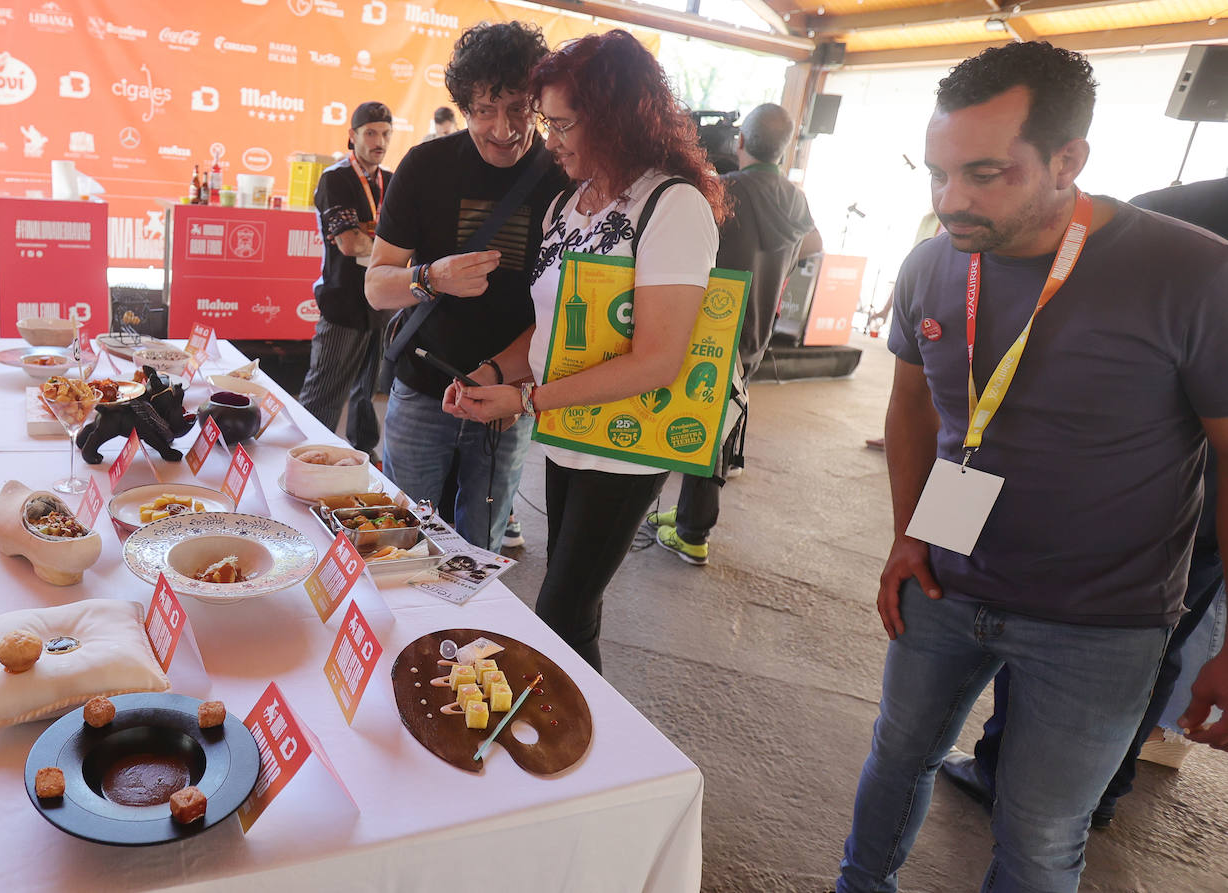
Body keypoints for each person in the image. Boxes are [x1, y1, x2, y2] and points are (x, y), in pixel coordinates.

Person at [837, 42, 1228, 893]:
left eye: (985, 174)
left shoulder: (1194, 273)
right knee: (895, 757)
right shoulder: (932, 262)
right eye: (938, 174)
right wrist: (908, 537)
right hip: (944, 580)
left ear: (1069, 159)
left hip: (1102, 622)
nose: (952, 201)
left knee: (1043, 831)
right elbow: (910, 408)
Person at [939, 174, 1228, 826]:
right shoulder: (1166, 225)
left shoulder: (1172, 222)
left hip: (1126, 507)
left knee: (1061, 622)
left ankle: (1024, 775)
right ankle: (1097, 783)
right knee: (1157, 637)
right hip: (1173, 513)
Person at [448, 30, 726, 671]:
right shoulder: (568, 206)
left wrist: (524, 399)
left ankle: (568, 748)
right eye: (550, 121)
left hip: (628, 440)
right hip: (569, 427)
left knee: (562, 609)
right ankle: (579, 746)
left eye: (565, 123)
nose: (551, 139)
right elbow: (547, 330)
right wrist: (492, 371)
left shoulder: (671, 204)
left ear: (619, 118)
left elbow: (659, 359)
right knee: (574, 611)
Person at [365, 22, 567, 551]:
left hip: (507, 401)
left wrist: (504, 380)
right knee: (397, 540)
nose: (503, 129)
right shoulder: (426, 167)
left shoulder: (563, 179)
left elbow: (563, 311)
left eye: (520, 109)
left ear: (540, 105)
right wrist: (433, 278)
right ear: (463, 106)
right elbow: (377, 287)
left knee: (481, 550)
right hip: (420, 392)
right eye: (485, 110)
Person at [647, 102, 820, 566]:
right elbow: (814, 246)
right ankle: (687, 518)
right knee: (717, 422)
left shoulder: (721, 191)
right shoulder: (796, 198)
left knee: (698, 424)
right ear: (783, 151)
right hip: (757, 330)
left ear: (740, 142)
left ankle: (692, 533)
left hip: (711, 326)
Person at [296, 101, 394, 461]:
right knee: (325, 389)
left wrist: (375, 245)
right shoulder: (335, 178)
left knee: (368, 390)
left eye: (385, 133)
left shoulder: (392, 181)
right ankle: (304, 455)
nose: (378, 140)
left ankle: (362, 456)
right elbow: (350, 243)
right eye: (370, 133)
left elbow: (402, 246)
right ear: (352, 137)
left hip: (381, 302)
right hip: (343, 302)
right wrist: (388, 249)